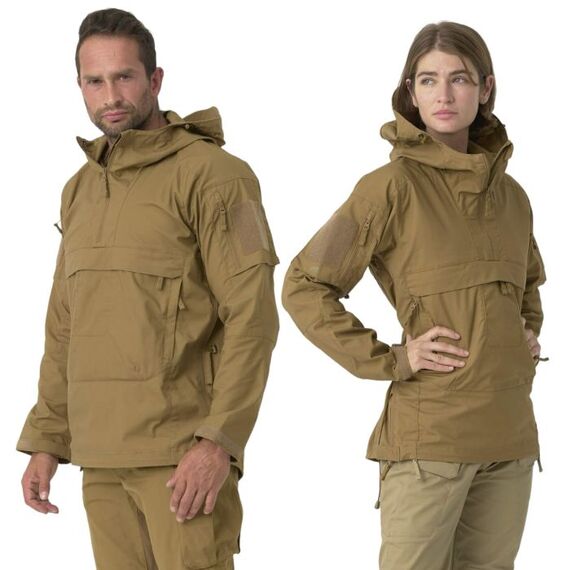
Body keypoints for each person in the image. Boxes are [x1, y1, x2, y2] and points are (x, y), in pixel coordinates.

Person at [17, 8, 279, 570]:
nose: (110, 96)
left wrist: (219, 442)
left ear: (155, 79)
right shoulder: (80, 189)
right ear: (79, 87)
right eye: (94, 81)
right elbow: (66, 324)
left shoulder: (217, 176)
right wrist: (48, 438)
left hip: (180, 460)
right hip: (99, 459)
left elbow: (253, 318)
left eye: (124, 77)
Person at [282, 21, 546, 570]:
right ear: (411, 91)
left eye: (459, 79)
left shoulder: (513, 197)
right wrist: (394, 359)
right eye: (428, 80)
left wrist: (525, 336)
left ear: (486, 88)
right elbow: (304, 286)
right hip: (430, 445)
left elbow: (527, 289)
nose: (443, 95)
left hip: (510, 442)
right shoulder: (388, 189)